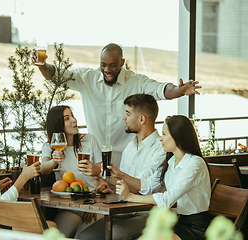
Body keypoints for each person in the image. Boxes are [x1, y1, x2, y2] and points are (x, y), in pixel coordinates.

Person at [34, 43, 202, 167]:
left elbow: (160, 90)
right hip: (96, 165)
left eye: (112, 65)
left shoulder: (135, 81)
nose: (107, 69)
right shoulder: (87, 78)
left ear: (122, 63)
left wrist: (179, 90)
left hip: (127, 163)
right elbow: (57, 76)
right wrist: (42, 65)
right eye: (103, 64)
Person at [78, 115, 211, 240]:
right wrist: (117, 174)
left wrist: (130, 196)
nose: (160, 139)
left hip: (195, 227)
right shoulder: (170, 161)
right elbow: (147, 185)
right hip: (176, 222)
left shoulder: (195, 163)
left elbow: (167, 198)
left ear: (177, 137)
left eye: (164, 134)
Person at [41, 105, 104, 238]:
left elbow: (102, 174)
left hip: (91, 205)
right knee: (55, 236)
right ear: (58, 124)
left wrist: (95, 205)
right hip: (68, 207)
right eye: (67, 118)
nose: (74, 120)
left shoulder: (89, 140)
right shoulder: (51, 146)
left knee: (81, 237)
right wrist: (53, 161)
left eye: (73, 116)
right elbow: (43, 169)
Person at [95, 93, 166, 194]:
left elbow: (141, 187)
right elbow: (124, 185)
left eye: (128, 114)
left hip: (147, 209)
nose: (124, 117)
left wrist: (99, 173)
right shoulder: (130, 147)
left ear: (142, 119)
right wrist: (111, 191)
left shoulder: (162, 149)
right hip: (124, 207)